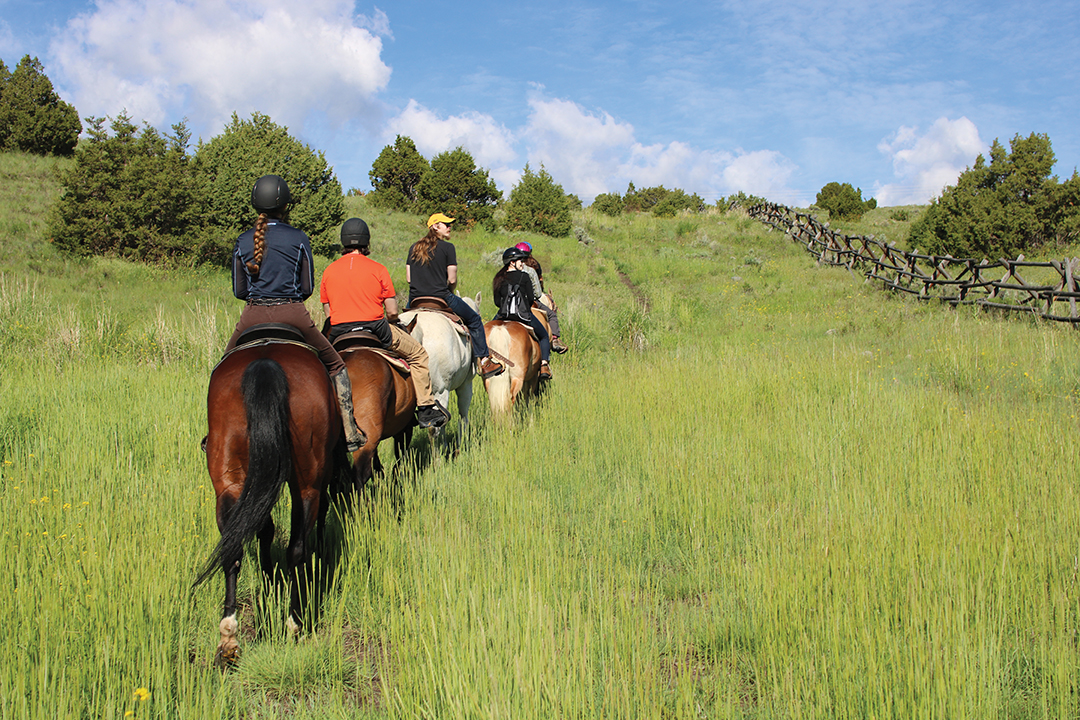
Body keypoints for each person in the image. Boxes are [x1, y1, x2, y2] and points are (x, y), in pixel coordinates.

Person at [224, 174, 366, 453]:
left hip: (252, 315)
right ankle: (349, 430)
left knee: (222, 367)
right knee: (336, 365)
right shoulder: (299, 237)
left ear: (255, 203)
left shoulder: (243, 240)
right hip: (293, 314)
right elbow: (307, 288)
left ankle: (215, 433)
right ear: (285, 204)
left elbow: (239, 290)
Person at [320, 218, 450, 429]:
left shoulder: (329, 270)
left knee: (316, 364)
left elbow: (328, 313)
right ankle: (426, 408)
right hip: (375, 328)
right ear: (366, 241)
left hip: (339, 332)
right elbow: (392, 311)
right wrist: (391, 320)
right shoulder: (378, 269)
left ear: (344, 241)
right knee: (418, 355)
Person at [406, 213, 505, 379]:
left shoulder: (413, 248)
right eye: (446, 224)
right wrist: (450, 289)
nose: (450, 227)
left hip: (415, 299)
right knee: (474, 320)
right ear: (435, 226)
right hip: (441, 297)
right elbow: (452, 279)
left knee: (401, 327)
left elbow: (409, 278)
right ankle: (485, 362)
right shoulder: (448, 248)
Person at [493, 246, 551, 380]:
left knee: (486, 332)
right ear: (512, 262)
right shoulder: (525, 276)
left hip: (503, 315)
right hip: (523, 316)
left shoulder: (499, 278)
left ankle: (485, 361)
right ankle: (544, 365)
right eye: (520, 260)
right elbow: (530, 298)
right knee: (543, 336)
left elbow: (497, 302)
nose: (522, 263)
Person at [514, 241, 568, 353]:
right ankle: (554, 340)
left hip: (511, 302)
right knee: (552, 315)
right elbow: (538, 293)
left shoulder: (507, 269)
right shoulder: (532, 268)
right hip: (528, 301)